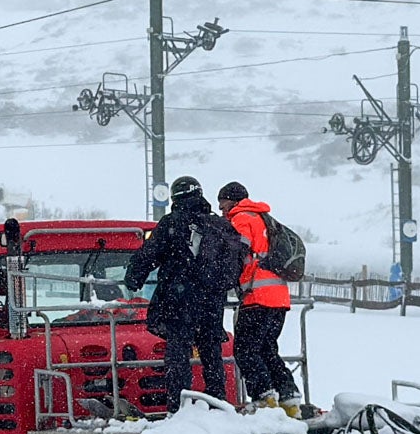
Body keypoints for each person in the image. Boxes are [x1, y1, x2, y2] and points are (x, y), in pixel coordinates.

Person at [124, 176, 235, 415]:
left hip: (179, 301)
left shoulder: (171, 223)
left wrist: (133, 279)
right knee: (211, 351)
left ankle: (178, 406)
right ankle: (219, 402)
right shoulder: (219, 226)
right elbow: (234, 263)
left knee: (178, 354)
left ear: (175, 198)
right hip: (211, 302)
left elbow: (149, 255)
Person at [217, 181, 302, 418]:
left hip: (258, 296)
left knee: (245, 350)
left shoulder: (242, 218)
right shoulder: (265, 219)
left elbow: (236, 255)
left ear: (232, 200)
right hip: (278, 297)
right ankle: (289, 398)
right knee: (267, 349)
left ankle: (264, 398)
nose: (221, 209)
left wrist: (223, 282)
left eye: (222, 203)